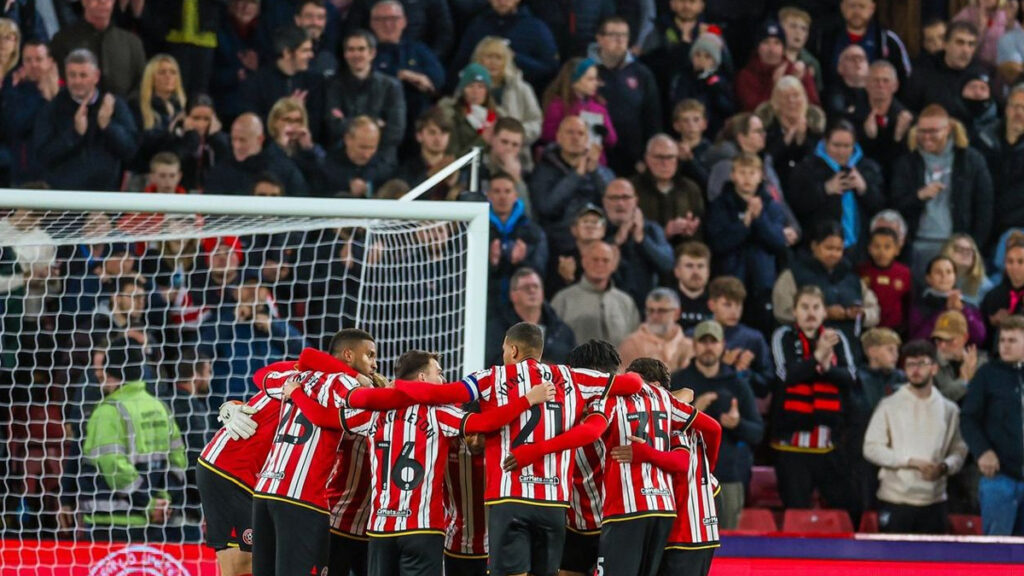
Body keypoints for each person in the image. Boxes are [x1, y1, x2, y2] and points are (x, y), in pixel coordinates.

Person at [338, 349, 555, 576]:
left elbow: (328, 416)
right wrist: (528, 399)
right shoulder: (439, 413)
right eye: (439, 373)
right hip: (422, 528)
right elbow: (487, 422)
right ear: (422, 378)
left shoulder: (373, 413)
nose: (443, 380)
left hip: (380, 529)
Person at [79, 339, 187, 541]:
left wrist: (148, 504)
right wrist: (163, 500)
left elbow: (113, 467)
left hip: (112, 524)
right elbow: (178, 460)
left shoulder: (107, 412)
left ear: (111, 375)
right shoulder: (161, 408)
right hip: (156, 523)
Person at [864, 339, 968, 534]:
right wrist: (909, 461)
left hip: (935, 501)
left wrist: (944, 467)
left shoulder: (949, 409)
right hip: (895, 499)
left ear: (934, 368)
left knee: (934, 563)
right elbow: (870, 448)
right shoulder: (889, 405)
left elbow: (959, 450)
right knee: (893, 563)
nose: (916, 370)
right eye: (910, 364)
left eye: (922, 363)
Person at [769, 285, 857, 512]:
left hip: (829, 443)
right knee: (796, 511)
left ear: (824, 312)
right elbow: (785, 375)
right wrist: (817, 357)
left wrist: (827, 367)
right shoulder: (783, 336)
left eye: (816, 307)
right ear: (795, 312)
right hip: (791, 445)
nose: (810, 313)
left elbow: (850, 377)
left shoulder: (837, 338)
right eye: (804, 307)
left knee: (843, 509)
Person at [670, 319, 763, 530]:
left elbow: (757, 433)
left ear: (723, 346)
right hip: (685, 478)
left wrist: (737, 423)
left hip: (728, 478)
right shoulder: (677, 381)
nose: (709, 347)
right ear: (694, 345)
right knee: (683, 540)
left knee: (727, 543)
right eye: (703, 341)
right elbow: (662, 430)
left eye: (714, 341)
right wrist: (694, 414)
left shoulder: (738, 383)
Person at [890, 104, 994, 281]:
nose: (926, 137)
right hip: (918, 246)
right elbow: (895, 203)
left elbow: (985, 206)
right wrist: (919, 196)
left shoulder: (971, 160)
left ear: (948, 129)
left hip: (956, 247)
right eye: (922, 131)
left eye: (933, 131)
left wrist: (972, 245)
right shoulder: (907, 162)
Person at [33, 49, 139, 191]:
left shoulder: (114, 105)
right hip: (64, 201)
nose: (77, 81)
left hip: (105, 201)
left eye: (83, 75)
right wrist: (74, 134)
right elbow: (42, 156)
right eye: (72, 75)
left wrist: (108, 126)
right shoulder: (52, 108)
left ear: (96, 76)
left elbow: (131, 151)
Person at [773, 220, 881, 349]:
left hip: (850, 348)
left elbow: (874, 310)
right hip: (807, 349)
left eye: (839, 249)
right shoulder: (793, 275)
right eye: (829, 248)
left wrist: (861, 314)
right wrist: (823, 314)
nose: (834, 254)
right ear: (814, 246)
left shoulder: (851, 277)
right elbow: (782, 311)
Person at [961, 315, 1024, 535]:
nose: (1005, 345)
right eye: (1002, 340)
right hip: (999, 477)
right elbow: (968, 417)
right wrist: (982, 451)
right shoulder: (987, 374)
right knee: (997, 553)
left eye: (1012, 340)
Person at [199, 278, 307, 403]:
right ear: (235, 292)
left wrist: (273, 327)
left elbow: (304, 352)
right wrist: (232, 318)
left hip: (271, 402)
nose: (253, 291)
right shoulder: (218, 321)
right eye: (247, 286)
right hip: (229, 405)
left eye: (259, 286)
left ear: (266, 292)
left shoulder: (277, 324)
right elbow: (202, 351)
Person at [787, 119, 885, 254]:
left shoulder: (867, 167)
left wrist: (864, 188)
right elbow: (796, 205)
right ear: (825, 142)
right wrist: (825, 189)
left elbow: (880, 206)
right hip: (821, 249)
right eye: (836, 145)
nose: (842, 151)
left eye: (847, 146)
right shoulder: (807, 167)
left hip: (860, 249)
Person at [707, 153, 789, 309]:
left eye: (752, 173)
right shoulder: (720, 206)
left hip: (763, 283)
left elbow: (778, 242)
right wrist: (744, 224)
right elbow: (718, 243)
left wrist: (759, 219)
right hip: (730, 281)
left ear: (761, 176)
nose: (747, 178)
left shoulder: (772, 207)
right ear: (733, 175)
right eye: (742, 172)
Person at [530, 115, 614, 255]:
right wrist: (576, 175)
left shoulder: (600, 171)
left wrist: (595, 173)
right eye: (570, 132)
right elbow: (546, 207)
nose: (575, 138)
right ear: (558, 137)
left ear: (587, 139)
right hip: (559, 243)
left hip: (597, 240)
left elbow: (613, 203)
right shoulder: (543, 170)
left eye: (580, 133)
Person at [591, 16, 663, 176]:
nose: (620, 40)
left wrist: (648, 156)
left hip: (634, 160)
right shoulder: (587, 70)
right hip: (596, 157)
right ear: (599, 39)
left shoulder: (642, 73)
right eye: (614, 35)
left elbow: (652, 118)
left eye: (624, 35)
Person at [325, 30, 406, 163]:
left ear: (372, 53)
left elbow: (395, 131)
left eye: (361, 49)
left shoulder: (391, 86)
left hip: (381, 158)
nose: (356, 54)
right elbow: (333, 126)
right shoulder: (333, 85)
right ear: (345, 54)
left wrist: (348, 123)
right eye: (351, 50)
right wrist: (376, 124)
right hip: (341, 158)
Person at [450, 0, 560, 91]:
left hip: (521, 98)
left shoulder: (536, 28)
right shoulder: (477, 26)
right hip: (480, 97)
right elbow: (460, 65)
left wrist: (513, 58)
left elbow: (550, 69)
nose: (502, 1)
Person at [240, 24, 324, 142]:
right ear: (287, 53)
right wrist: (286, 113)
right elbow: (253, 124)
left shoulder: (313, 81)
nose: (311, 55)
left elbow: (317, 126)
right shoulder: (257, 82)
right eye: (305, 50)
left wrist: (301, 116)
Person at [602, 178, 675, 308]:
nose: (620, 203)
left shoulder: (651, 229)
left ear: (635, 201)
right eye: (614, 198)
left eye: (626, 197)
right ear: (604, 202)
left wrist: (641, 239)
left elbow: (667, 264)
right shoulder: (599, 229)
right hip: (607, 305)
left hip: (646, 306)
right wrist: (617, 241)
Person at [471, 36, 543, 169]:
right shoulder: (468, 88)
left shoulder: (522, 89)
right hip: (478, 161)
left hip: (518, 160)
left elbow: (536, 123)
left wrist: (513, 136)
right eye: (488, 57)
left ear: (507, 61)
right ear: (479, 59)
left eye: (498, 58)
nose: (493, 62)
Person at [50, 0, 146, 97]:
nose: (103, 1)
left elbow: (141, 86)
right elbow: (58, 83)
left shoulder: (132, 43)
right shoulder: (63, 40)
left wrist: (121, 108)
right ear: (84, 2)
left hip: (126, 109)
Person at [370, 0, 445, 124]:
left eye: (394, 19)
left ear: (404, 22)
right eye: (381, 20)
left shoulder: (419, 49)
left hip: (418, 121)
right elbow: (368, 76)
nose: (388, 25)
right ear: (372, 23)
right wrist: (402, 74)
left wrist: (411, 76)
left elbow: (438, 78)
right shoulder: (367, 50)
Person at [552, 241, 640, 347]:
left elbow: (635, 343)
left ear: (613, 265)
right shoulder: (563, 299)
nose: (600, 264)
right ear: (584, 262)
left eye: (605, 260)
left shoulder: (626, 302)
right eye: (595, 259)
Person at [485, 267, 575, 366]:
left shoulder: (562, 331)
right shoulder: (497, 330)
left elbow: (573, 367)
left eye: (536, 286)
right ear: (513, 295)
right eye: (526, 287)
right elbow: (491, 365)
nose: (532, 291)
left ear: (542, 292)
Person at [203, 113, 308, 196]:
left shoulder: (285, 170)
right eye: (233, 139)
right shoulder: (220, 173)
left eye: (242, 140)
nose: (237, 146)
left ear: (260, 139)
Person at [813, 0, 912, 88]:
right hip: (834, 101)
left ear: (872, 8)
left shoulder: (887, 40)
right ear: (842, 7)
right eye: (852, 6)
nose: (857, 12)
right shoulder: (825, 38)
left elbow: (905, 76)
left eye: (862, 6)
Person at [540, 57, 618, 166]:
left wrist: (603, 132)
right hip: (565, 163)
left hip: (594, 163)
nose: (595, 83)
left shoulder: (598, 106)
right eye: (590, 79)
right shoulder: (558, 105)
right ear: (574, 81)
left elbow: (612, 140)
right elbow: (547, 135)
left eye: (596, 79)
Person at [904, 21, 987, 122]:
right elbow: (908, 110)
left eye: (971, 44)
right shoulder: (923, 72)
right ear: (945, 44)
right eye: (960, 42)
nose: (966, 50)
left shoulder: (980, 74)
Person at [486, 172, 548, 306]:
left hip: (520, 307)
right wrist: (491, 263)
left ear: (515, 195)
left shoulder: (533, 231)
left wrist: (522, 261)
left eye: (507, 191)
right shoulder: (478, 229)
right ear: (489, 196)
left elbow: (540, 272)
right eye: (497, 191)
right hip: (487, 304)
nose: (502, 197)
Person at [706, 276, 774, 398]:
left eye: (738, 305)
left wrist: (743, 372)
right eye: (727, 305)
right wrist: (723, 364)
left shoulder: (754, 338)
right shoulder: (695, 336)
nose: (734, 312)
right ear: (712, 305)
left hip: (742, 404)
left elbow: (766, 382)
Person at [2, 39, 59, 184]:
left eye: (39, 59)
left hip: (57, 174)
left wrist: (54, 98)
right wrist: (44, 100)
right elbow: (15, 126)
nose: (33, 65)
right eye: (28, 60)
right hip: (23, 175)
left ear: (49, 61)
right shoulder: (14, 92)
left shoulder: (63, 93)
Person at [631, 134, 704, 246]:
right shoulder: (632, 189)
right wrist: (663, 233)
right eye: (659, 157)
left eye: (670, 157)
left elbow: (701, 231)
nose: (665, 163)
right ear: (647, 159)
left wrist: (691, 232)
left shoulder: (690, 188)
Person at [756, 75, 826, 189]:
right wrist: (786, 139)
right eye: (785, 97)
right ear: (776, 102)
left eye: (796, 95)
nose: (791, 101)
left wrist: (801, 139)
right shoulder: (766, 127)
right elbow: (767, 160)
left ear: (804, 99)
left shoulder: (815, 127)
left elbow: (816, 162)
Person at [975, 85, 1024, 246]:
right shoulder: (982, 139)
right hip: (980, 227)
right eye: (1016, 106)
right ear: (1006, 108)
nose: (1019, 113)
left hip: (1017, 236)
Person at [735, 19, 820, 112]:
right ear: (758, 48)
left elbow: (814, 107)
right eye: (766, 42)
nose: (771, 49)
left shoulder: (796, 71)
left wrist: (796, 85)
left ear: (783, 48)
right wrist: (775, 86)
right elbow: (754, 110)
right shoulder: (746, 76)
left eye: (777, 43)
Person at [666, 33, 735, 145]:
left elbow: (727, 109)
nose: (701, 60)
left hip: (714, 136)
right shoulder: (683, 78)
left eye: (707, 57)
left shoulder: (721, 82)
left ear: (714, 61)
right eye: (697, 55)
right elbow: (678, 104)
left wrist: (714, 89)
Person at [909, 256, 987, 346]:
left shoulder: (968, 306)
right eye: (938, 272)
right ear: (928, 278)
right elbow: (917, 340)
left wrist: (963, 310)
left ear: (955, 277)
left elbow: (979, 337)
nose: (944, 276)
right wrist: (945, 312)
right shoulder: (920, 306)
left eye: (949, 272)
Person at [131, 54, 187, 174]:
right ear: (151, 78)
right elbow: (139, 147)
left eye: (173, 72)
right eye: (162, 72)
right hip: (146, 172)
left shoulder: (183, 107)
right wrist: (170, 131)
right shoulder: (137, 107)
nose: (168, 77)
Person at [858, 60, 914, 181]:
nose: (880, 85)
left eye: (885, 80)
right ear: (866, 84)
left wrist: (899, 137)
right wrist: (867, 137)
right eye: (875, 80)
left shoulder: (906, 118)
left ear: (895, 86)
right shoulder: (855, 115)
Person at [618, 287, 693, 372]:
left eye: (661, 311)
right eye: (650, 310)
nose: (655, 316)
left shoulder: (689, 346)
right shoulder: (631, 345)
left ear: (677, 313)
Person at [315, 115, 393, 197]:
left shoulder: (384, 167)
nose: (367, 155)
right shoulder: (327, 168)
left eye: (372, 148)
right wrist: (347, 187)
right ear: (347, 139)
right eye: (363, 147)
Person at [857, 227, 912, 333]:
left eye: (887, 247)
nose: (881, 251)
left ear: (897, 250)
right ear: (869, 248)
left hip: (896, 329)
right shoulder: (861, 271)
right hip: (868, 328)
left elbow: (908, 304)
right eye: (876, 246)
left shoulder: (904, 273)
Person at [438, 63, 499, 157]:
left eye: (480, 86)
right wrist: (482, 140)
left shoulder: (497, 117)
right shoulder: (452, 117)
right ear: (462, 90)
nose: (475, 91)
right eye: (470, 86)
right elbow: (453, 156)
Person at [931, 310, 983, 403]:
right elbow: (937, 401)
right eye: (938, 339)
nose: (942, 345)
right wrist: (964, 381)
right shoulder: (931, 364)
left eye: (949, 340)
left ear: (965, 338)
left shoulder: (980, 362)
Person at [952, 0, 1016, 72]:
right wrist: (980, 29)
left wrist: (1011, 22)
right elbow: (957, 45)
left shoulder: (1003, 14)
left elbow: (1014, 42)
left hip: (1000, 68)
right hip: (974, 66)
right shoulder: (967, 14)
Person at [779, 6, 823, 96]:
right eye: (793, 26)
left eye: (804, 29)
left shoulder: (812, 63)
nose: (798, 32)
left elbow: (817, 95)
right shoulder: (771, 57)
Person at [672, 241, 714, 331]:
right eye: (689, 266)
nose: (695, 272)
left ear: (708, 272)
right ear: (677, 271)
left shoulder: (717, 302)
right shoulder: (666, 301)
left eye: (700, 266)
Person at [824, 45, 870, 124]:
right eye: (852, 59)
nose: (857, 62)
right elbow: (838, 117)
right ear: (840, 67)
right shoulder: (832, 94)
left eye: (861, 59)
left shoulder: (876, 91)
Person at [294, 0, 337, 75]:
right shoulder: (287, 51)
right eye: (309, 16)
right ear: (298, 20)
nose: (315, 22)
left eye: (320, 18)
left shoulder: (331, 50)